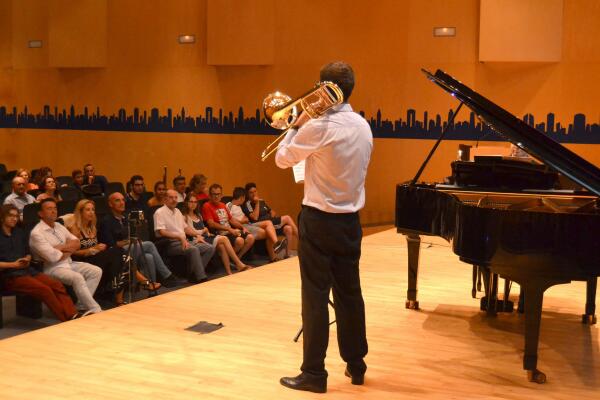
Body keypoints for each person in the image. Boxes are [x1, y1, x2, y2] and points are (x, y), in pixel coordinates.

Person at [276, 61, 372, 393]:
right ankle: (356, 364)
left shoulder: (318, 127)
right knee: (350, 293)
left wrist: (296, 124)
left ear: (323, 88)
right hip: (350, 222)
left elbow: (282, 158)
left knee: (315, 296)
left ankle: (314, 374)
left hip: (319, 220)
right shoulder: (363, 126)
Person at [0, 204, 79, 321]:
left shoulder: (19, 232)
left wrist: (27, 258)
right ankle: (66, 319)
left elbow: (27, 252)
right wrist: (13, 265)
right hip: (9, 275)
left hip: (27, 270)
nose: (15, 219)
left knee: (56, 285)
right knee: (44, 289)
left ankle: (73, 314)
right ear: (2, 217)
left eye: (16, 216)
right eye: (11, 216)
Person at [29, 198, 103, 315]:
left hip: (69, 263)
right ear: (40, 214)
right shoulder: (37, 233)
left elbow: (77, 243)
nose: (53, 211)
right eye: (49, 209)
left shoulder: (58, 226)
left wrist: (59, 248)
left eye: (55, 208)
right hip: (52, 268)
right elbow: (53, 258)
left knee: (96, 271)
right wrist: (69, 248)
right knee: (77, 277)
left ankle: (81, 305)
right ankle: (95, 309)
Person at [98, 192, 176, 288]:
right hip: (117, 252)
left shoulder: (126, 217)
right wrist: (130, 241)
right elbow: (111, 244)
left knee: (148, 257)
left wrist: (133, 240)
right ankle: (167, 275)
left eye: (123, 200)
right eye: (117, 200)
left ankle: (150, 284)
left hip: (130, 248)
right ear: (110, 204)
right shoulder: (106, 221)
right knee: (149, 245)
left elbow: (135, 236)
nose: (122, 203)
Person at [68, 199, 128, 306]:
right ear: (80, 212)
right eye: (88, 210)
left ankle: (114, 294)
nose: (91, 212)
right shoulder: (74, 229)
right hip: (81, 260)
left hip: (94, 257)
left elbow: (95, 248)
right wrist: (91, 250)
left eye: (93, 210)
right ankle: (115, 293)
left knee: (121, 256)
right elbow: (72, 252)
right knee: (119, 253)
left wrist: (98, 248)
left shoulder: (92, 228)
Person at [154, 190, 215, 283]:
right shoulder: (159, 212)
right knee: (194, 249)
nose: (174, 200)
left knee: (209, 247)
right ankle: (201, 277)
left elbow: (186, 228)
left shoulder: (178, 211)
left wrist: (198, 235)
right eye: (171, 197)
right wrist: (180, 237)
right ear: (165, 199)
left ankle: (193, 274)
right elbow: (161, 232)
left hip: (185, 241)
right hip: (170, 244)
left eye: (175, 197)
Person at [182, 193, 251, 275]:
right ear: (186, 203)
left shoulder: (198, 215)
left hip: (206, 237)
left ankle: (229, 272)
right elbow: (190, 231)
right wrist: (203, 230)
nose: (193, 204)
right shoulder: (184, 216)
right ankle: (239, 264)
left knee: (222, 246)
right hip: (196, 239)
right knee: (224, 239)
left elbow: (205, 229)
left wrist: (206, 231)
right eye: (191, 202)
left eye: (195, 202)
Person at [242, 182, 298, 258]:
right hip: (259, 224)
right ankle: (302, 239)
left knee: (288, 228)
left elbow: (272, 211)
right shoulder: (247, 204)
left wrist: (271, 215)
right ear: (247, 194)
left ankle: (288, 254)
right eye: (251, 192)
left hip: (270, 222)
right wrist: (257, 203)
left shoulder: (262, 201)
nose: (254, 194)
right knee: (287, 218)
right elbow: (255, 218)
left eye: (255, 191)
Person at [227, 187, 282, 262]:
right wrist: (242, 221)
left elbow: (246, 218)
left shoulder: (238, 206)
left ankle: (276, 244)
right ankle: (273, 256)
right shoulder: (229, 206)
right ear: (242, 197)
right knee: (268, 233)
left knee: (269, 223)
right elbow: (229, 219)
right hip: (243, 226)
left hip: (249, 224)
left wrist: (244, 219)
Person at [202, 184, 255, 260]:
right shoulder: (206, 205)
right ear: (210, 195)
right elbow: (211, 224)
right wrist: (229, 229)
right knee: (240, 241)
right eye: (214, 194)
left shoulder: (223, 205)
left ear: (221, 195)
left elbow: (231, 220)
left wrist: (242, 227)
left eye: (218, 194)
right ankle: (231, 260)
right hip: (220, 233)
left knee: (250, 237)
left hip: (229, 231)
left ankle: (237, 258)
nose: (216, 196)